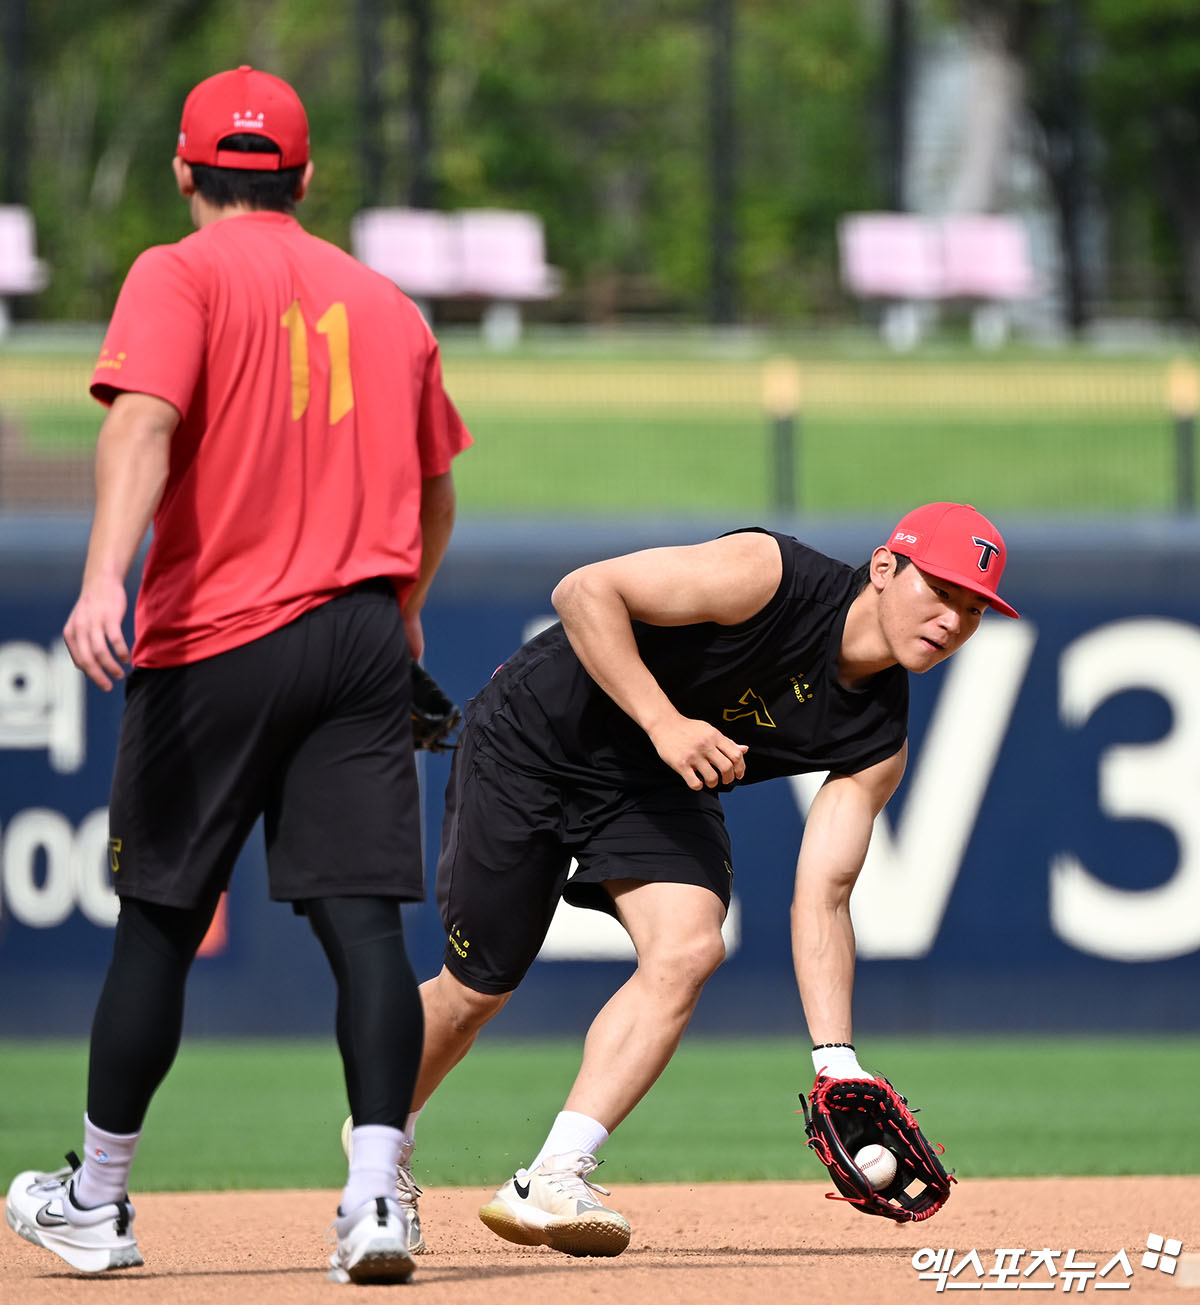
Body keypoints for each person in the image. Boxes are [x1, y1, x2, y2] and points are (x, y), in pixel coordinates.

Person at [4, 66, 471, 1286]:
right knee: (365, 928)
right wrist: (402, 616)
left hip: (215, 631)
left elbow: (141, 422)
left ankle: (97, 1203)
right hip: (365, 635)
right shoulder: (388, 303)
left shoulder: (177, 272)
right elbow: (436, 491)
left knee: (159, 921)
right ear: (306, 178)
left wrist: (103, 577)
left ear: (181, 170)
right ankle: (378, 1198)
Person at [349, 501, 1017, 1257]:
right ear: (886, 567)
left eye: (974, 609)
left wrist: (836, 1060)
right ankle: (382, 1149)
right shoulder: (772, 576)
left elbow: (824, 894)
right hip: (537, 735)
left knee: (691, 947)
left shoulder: (877, 741)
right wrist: (667, 724)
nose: (952, 620)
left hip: (654, 781)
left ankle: (555, 1173)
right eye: (941, 589)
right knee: (476, 989)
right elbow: (581, 592)